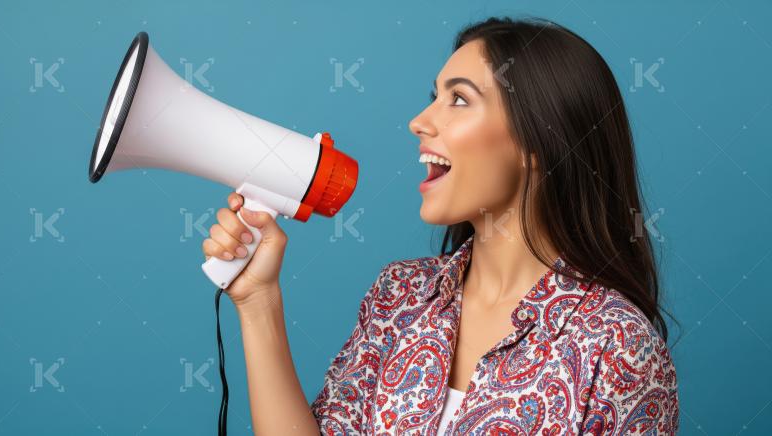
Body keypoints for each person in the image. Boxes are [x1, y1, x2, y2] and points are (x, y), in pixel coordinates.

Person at [202, 16, 679, 435]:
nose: (418, 121)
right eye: (436, 96)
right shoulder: (399, 296)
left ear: (538, 143)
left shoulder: (617, 348)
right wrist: (259, 301)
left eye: (459, 100)